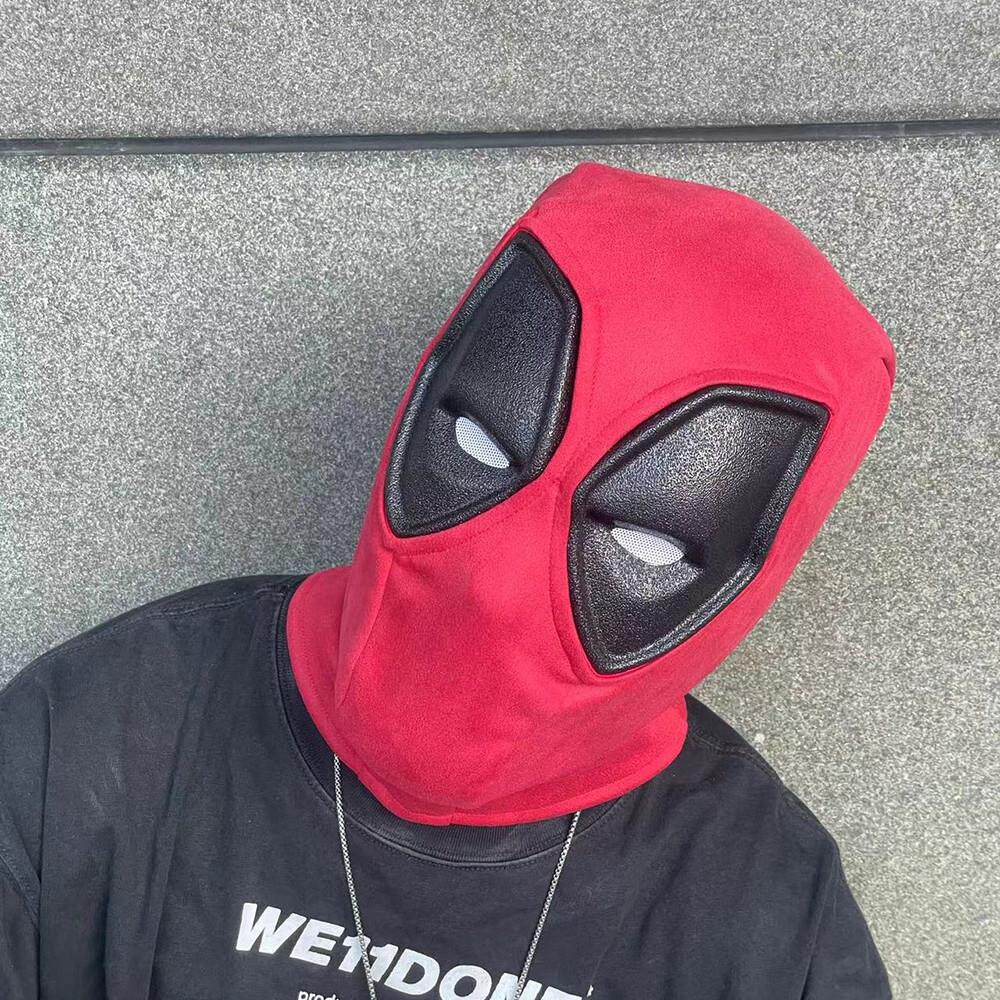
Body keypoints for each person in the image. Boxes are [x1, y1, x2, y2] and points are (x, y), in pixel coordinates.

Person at [0, 163, 894, 1000]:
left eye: (643, 538)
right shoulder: (99, 736)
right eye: (482, 443)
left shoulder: (771, 925)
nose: (493, 588)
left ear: (750, 572)